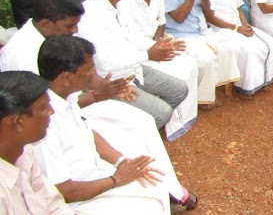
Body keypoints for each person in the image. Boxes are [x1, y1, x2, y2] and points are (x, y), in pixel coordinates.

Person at [0, 0, 195, 209]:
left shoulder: (60, 84)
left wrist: (102, 90)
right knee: (133, 130)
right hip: (67, 122)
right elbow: (48, 108)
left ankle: (169, 188)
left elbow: (72, 104)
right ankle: (161, 191)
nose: (75, 31)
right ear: (46, 24)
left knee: (142, 124)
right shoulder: (23, 59)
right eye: (69, 27)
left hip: (75, 104)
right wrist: (97, 95)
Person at [33, 35, 173, 214]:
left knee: (156, 182)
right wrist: (116, 180)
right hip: (77, 199)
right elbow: (63, 191)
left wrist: (121, 161)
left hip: (96, 176)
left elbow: (88, 134)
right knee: (147, 206)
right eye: (89, 68)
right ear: (67, 78)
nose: (93, 73)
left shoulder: (66, 98)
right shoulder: (44, 124)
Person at [76, 0, 189, 129]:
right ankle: (137, 137)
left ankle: (145, 129)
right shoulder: (91, 15)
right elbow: (104, 63)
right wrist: (148, 54)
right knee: (162, 113)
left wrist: (156, 46)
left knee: (179, 89)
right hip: (111, 81)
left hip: (134, 69)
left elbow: (132, 37)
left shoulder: (118, 4)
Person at [117, 0, 199, 141]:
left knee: (189, 63)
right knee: (178, 73)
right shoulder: (125, 3)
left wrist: (162, 43)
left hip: (155, 47)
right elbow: (129, 38)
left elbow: (160, 24)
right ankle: (170, 122)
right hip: (139, 54)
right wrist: (154, 49)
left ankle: (185, 119)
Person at [161, 0, 240, 111]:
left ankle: (212, 87)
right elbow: (179, 17)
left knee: (229, 48)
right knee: (206, 58)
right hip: (180, 33)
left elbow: (206, 10)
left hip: (202, 30)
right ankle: (203, 97)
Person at [0, 71, 72, 214]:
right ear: (18, 122)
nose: (51, 111)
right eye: (43, 107)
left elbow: (54, 205)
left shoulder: (24, 152)